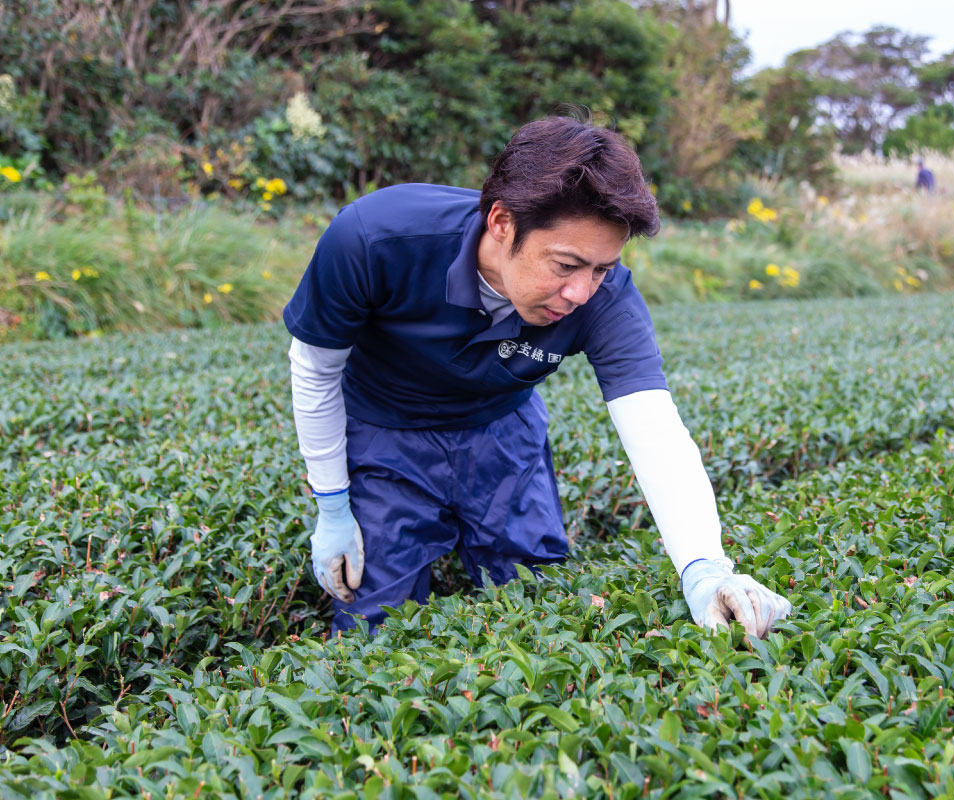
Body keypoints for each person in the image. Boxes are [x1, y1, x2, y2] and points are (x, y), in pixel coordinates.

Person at [285, 115, 791, 637]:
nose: (582, 294)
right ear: (501, 224)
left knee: (536, 602)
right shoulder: (375, 238)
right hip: (385, 432)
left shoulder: (605, 297)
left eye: (601, 268)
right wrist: (332, 502)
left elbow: (654, 428)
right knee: (374, 627)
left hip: (504, 435)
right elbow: (315, 370)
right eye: (566, 265)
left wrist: (705, 568)